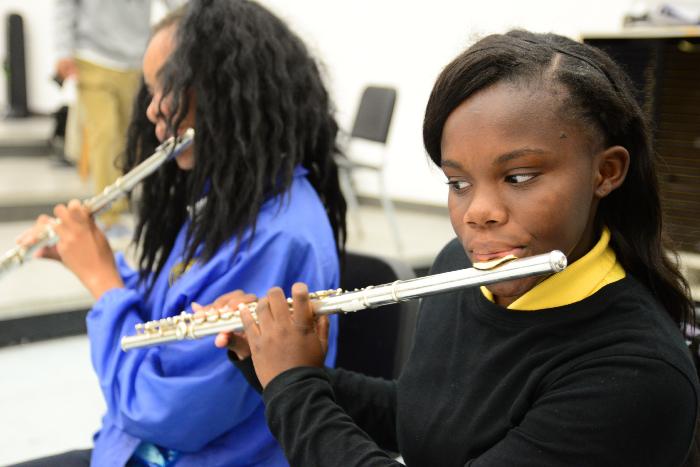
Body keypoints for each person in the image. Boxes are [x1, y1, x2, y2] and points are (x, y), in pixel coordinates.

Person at [218, 30, 700, 466]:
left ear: (605, 172)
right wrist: (270, 358)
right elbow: (423, 415)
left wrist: (294, 387)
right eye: (459, 182)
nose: (478, 213)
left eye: (518, 177)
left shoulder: (635, 375)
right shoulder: (458, 263)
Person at [15, 0, 345, 465]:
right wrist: (97, 259)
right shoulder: (231, 199)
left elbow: (158, 411)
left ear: (229, 90)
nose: (152, 111)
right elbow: (170, 315)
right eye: (148, 90)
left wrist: (102, 284)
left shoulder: (279, 238)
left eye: (165, 87)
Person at [54, 0, 183, 227]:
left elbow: (178, 5)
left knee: (130, 139)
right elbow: (65, 4)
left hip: (136, 59)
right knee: (104, 135)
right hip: (92, 57)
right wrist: (63, 51)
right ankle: (109, 216)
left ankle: (127, 204)